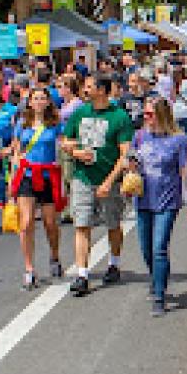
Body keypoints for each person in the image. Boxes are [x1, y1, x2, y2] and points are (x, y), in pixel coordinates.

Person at [61, 75, 134, 297]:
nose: (84, 90)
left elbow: (125, 154)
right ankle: (82, 274)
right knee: (82, 225)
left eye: (89, 86)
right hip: (82, 177)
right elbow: (65, 140)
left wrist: (109, 181)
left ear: (101, 90)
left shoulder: (119, 117)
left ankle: (114, 262)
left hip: (108, 179)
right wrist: (74, 151)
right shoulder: (80, 113)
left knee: (113, 224)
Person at [129, 96, 187, 317]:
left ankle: (159, 295)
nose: (146, 118)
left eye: (150, 114)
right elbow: (130, 158)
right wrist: (131, 164)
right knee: (146, 249)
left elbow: (184, 170)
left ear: (162, 115)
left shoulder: (179, 139)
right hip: (143, 198)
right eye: (144, 114)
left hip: (168, 199)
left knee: (159, 247)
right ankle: (157, 277)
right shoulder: (140, 136)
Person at [9, 87, 65, 289]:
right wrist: (12, 173)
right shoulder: (22, 124)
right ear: (30, 102)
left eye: (43, 98)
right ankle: (29, 268)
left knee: (50, 223)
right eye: (36, 98)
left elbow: (64, 144)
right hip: (27, 175)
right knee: (26, 223)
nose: (39, 102)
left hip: (48, 176)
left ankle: (55, 255)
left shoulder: (56, 124)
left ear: (48, 102)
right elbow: (16, 150)